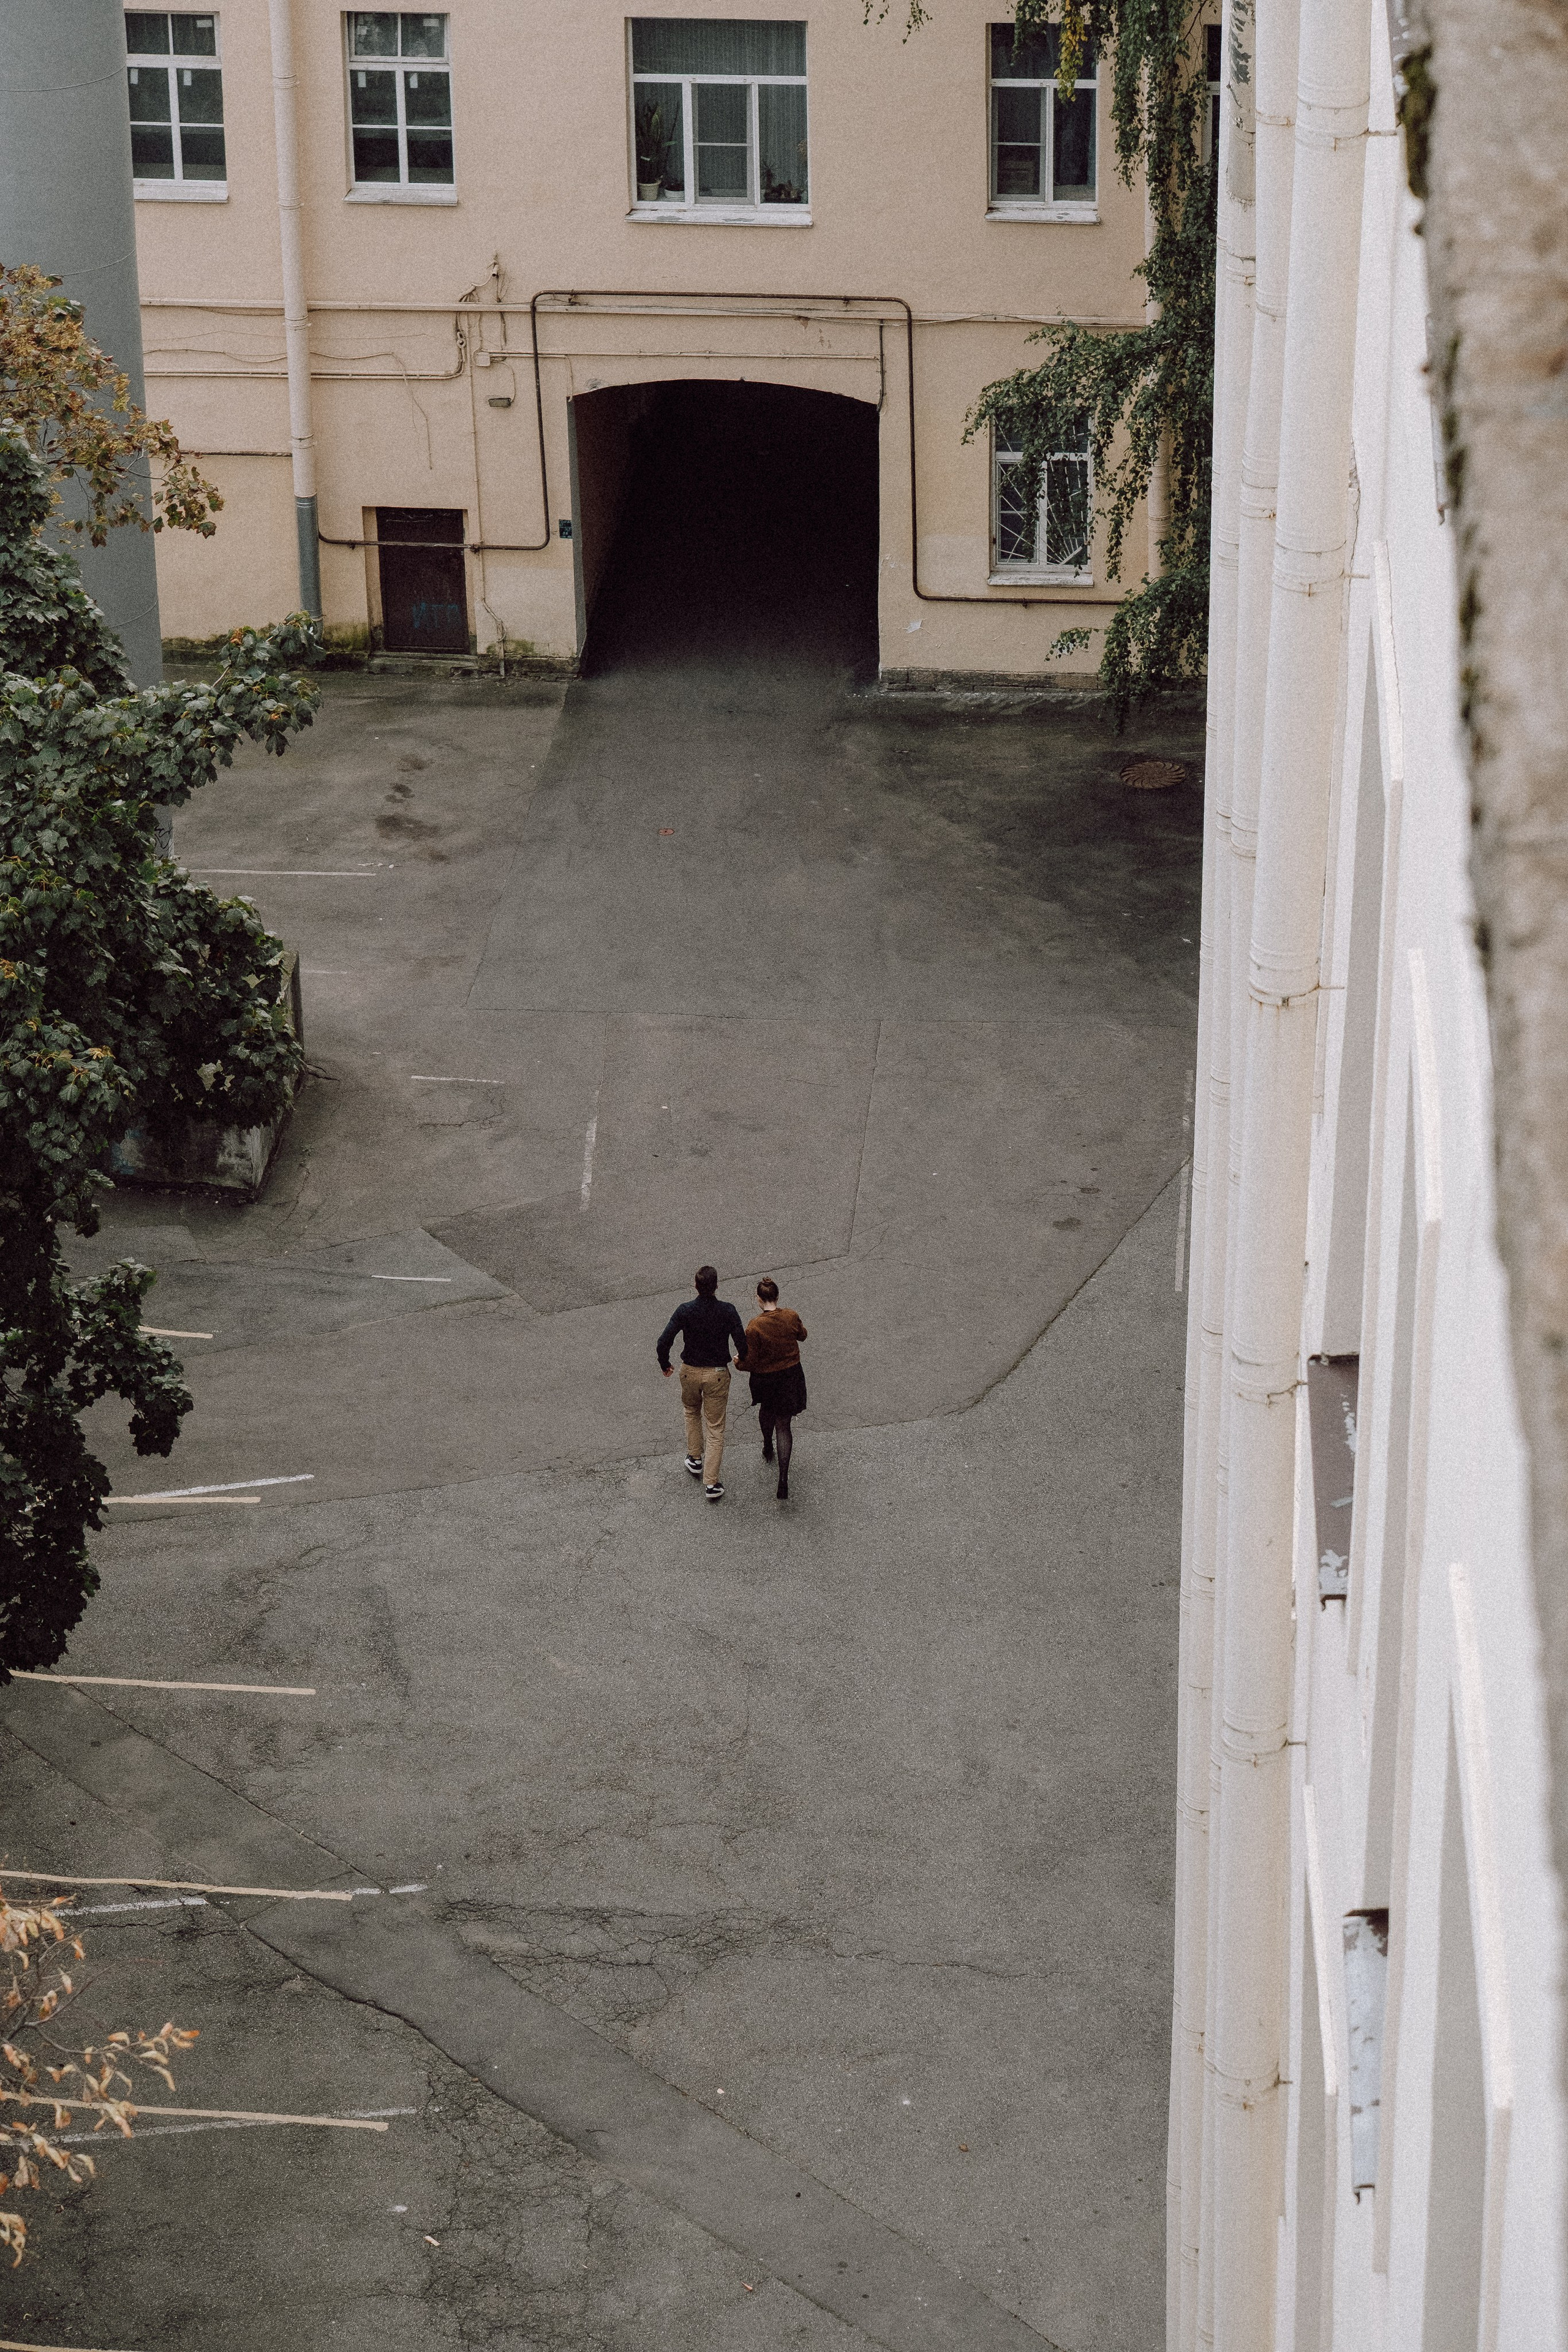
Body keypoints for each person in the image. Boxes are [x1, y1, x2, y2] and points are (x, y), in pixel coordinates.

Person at [655, 1265, 747, 1502]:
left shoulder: (685, 1311)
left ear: (695, 1286)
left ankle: (695, 1458)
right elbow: (742, 1344)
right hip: (717, 1374)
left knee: (691, 1411)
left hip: (690, 1373)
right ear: (717, 1286)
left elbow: (664, 1341)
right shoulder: (728, 1311)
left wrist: (665, 1363)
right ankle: (712, 1484)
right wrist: (740, 1359)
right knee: (715, 1428)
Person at [742, 1278, 807, 1502]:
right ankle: (783, 1479)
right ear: (777, 1297)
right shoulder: (790, 1316)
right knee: (784, 1425)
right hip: (790, 1376)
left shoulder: (754, 1326)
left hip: (766, 1380)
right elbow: (803, 1335)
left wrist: (737, 1363)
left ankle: (767, 1445)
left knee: (766, 1410)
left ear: (758, 1300)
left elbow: (748, 1360)